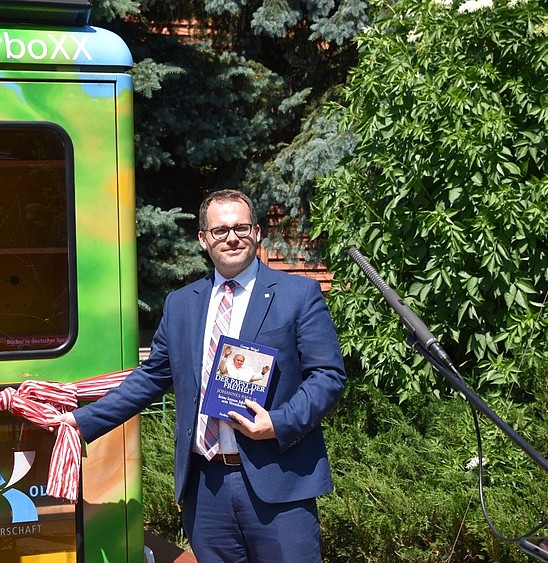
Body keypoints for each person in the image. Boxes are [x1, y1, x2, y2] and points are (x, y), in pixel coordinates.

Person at [55, 189, 347, 562]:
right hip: (207, 490)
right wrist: (80, 422)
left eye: (241, 227)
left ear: (257, 232)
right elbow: (151, 378)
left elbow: (327, 376)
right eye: (220, 230)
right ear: (204, 239)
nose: (231, 237)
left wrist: (278, 422)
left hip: (277, 482)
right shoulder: (181, 304)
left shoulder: (298, 293)